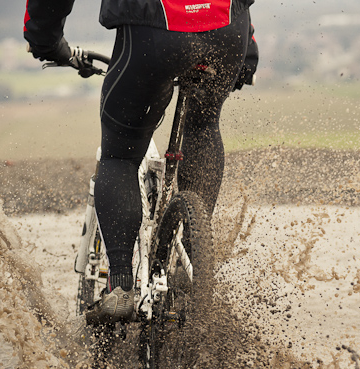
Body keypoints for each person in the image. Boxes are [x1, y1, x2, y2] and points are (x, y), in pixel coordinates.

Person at [23, 0, 258, 325]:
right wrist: (249, 45)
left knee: (120, 154)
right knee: (203, 125)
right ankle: (191, 266)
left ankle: (119, 285)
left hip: (155, 29)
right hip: (226, 28)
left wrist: (45, 41)